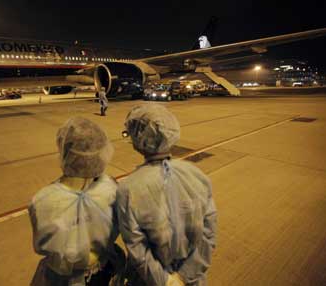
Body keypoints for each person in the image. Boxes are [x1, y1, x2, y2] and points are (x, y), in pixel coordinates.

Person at [117, 104, 217, 286]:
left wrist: (167, 281)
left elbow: (137, 247)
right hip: (192, 280)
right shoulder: (198, 177)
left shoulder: (128, 188)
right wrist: (185, 276)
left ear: (138, 140)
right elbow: (208, 235)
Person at [29, 117, 125, 286]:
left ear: (65, 151)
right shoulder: (111, 188)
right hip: (105, 272)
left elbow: (51, 251)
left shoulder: (43, 201)